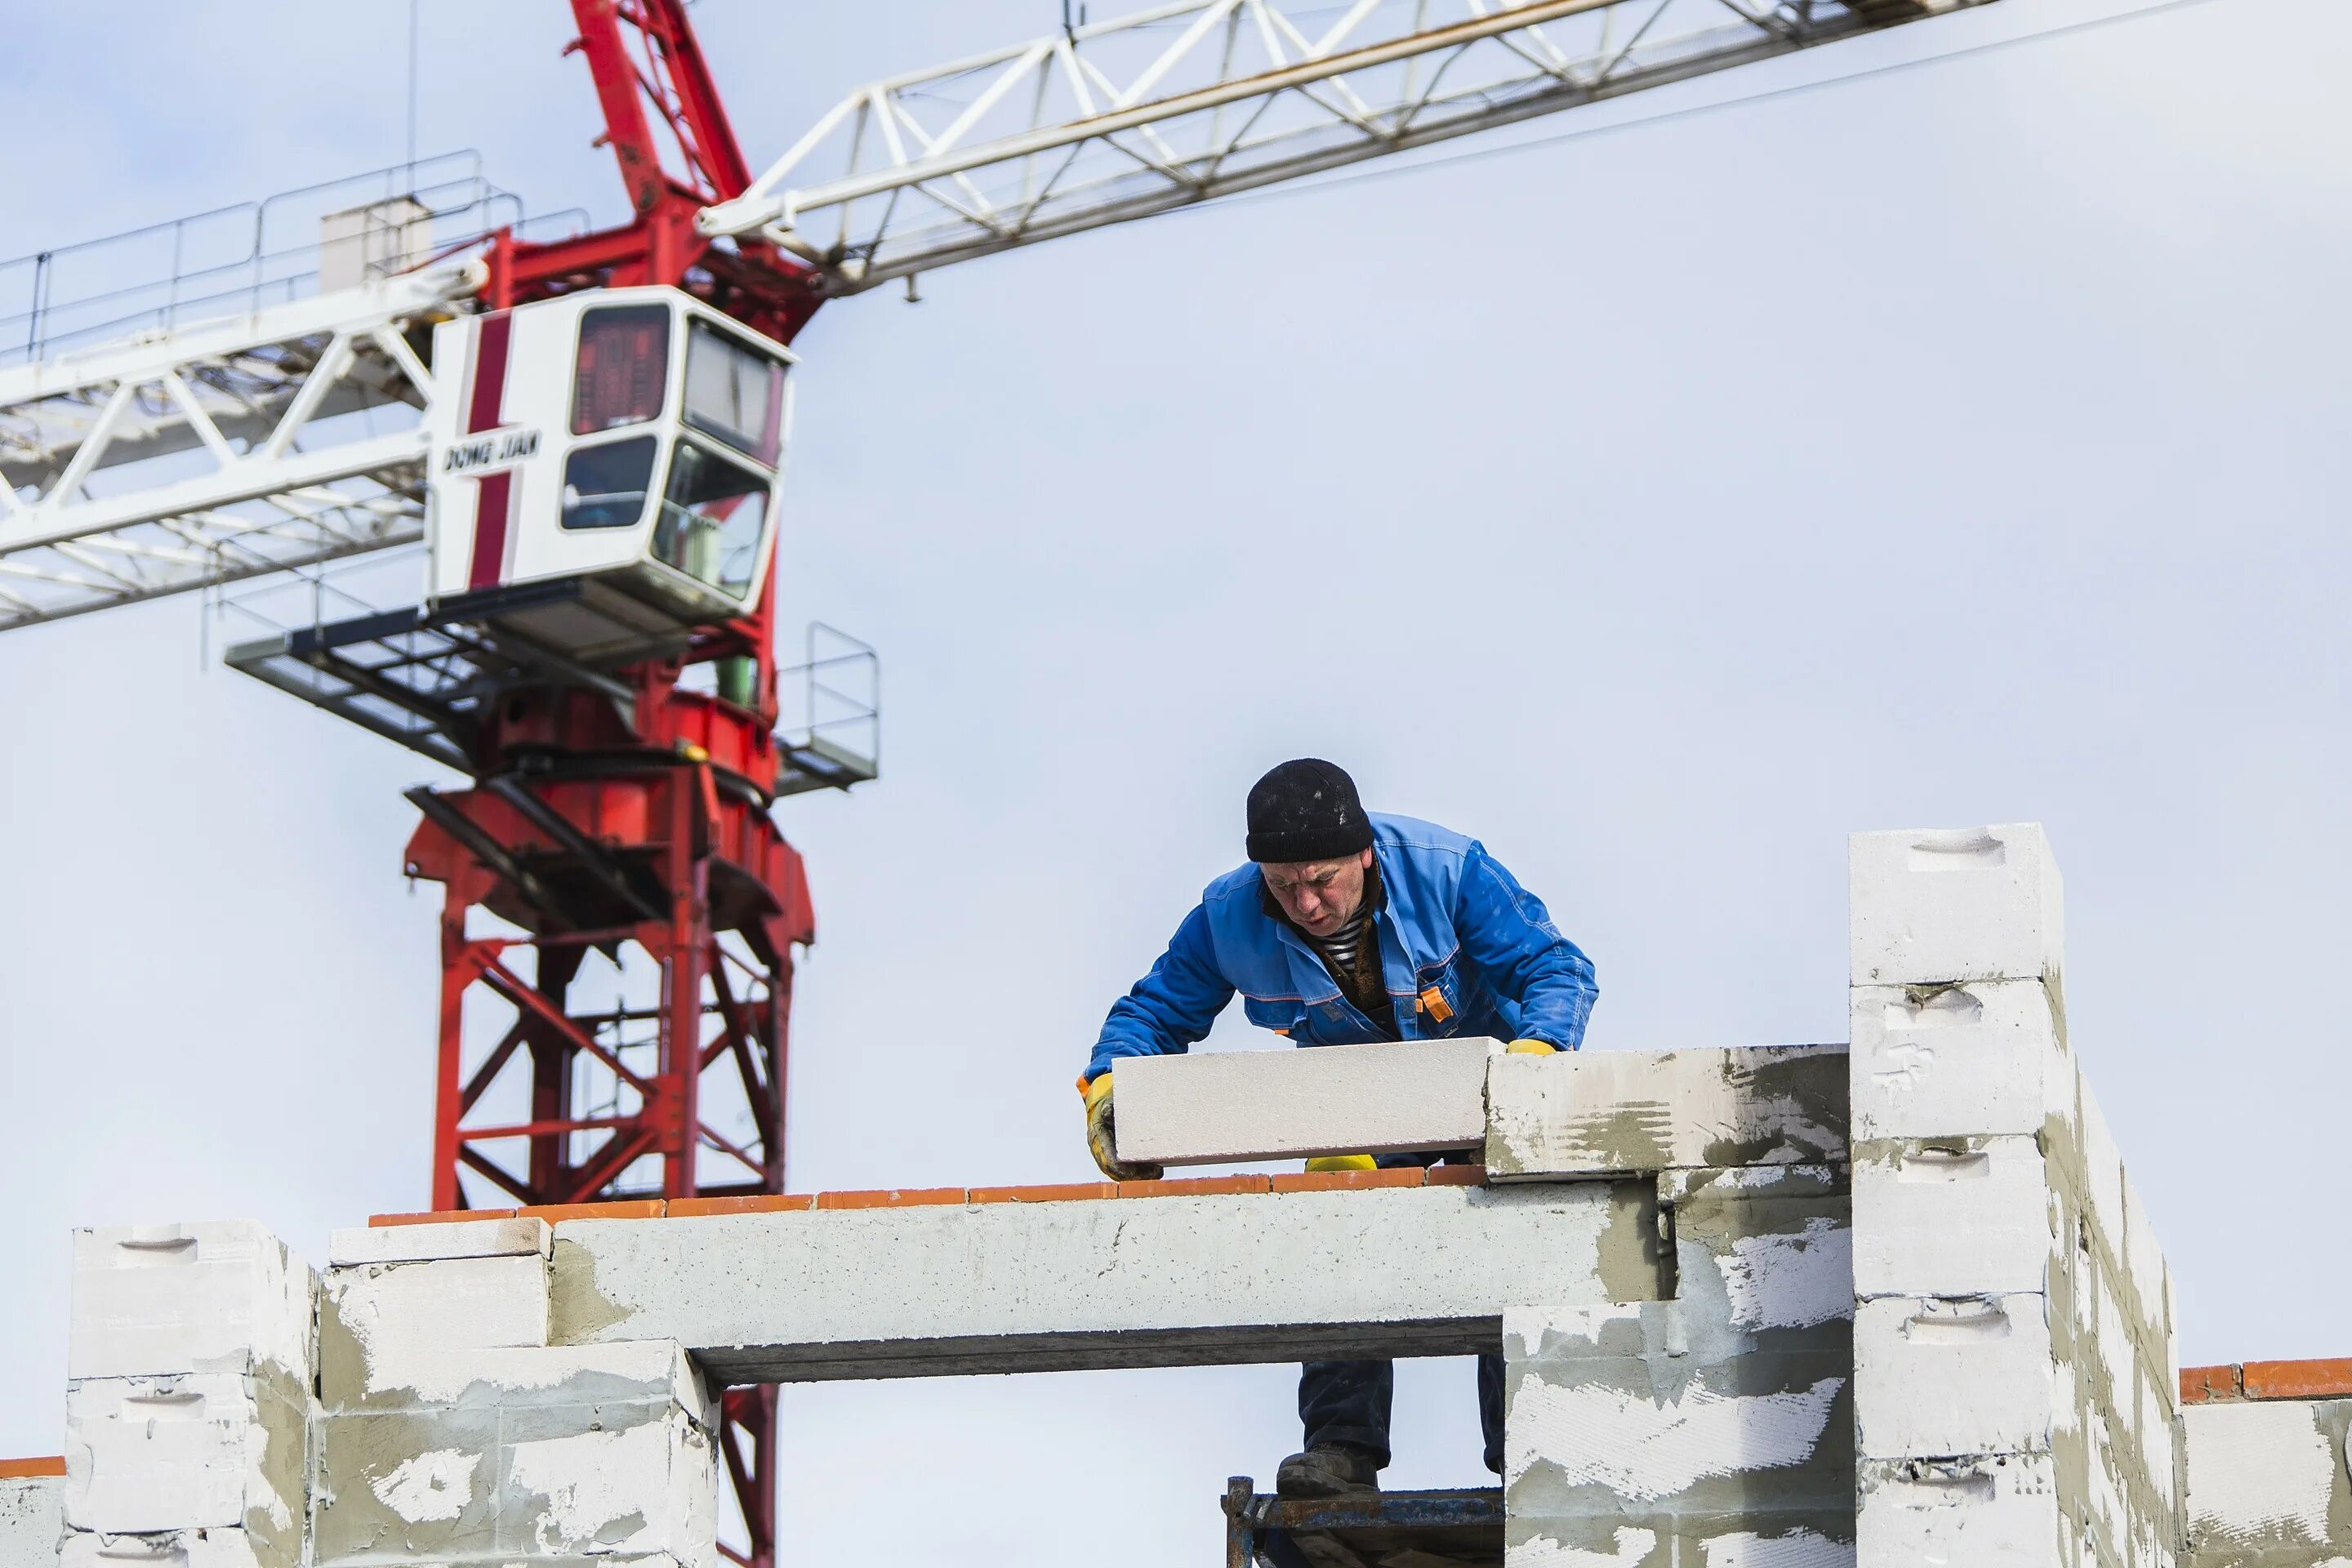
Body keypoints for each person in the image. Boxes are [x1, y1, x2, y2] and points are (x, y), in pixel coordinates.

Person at [1077, 759, 1597, 1497]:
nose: (1308, 904)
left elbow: (1557, 967)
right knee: (1338, 1220)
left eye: (1322, 880)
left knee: (1506, 1240)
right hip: (1358, 1112)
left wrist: (1535, 1064)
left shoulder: (1445, 871)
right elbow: (1151, 1014)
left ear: (1363, 855)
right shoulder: (1228, 916)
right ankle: (1342, 1451)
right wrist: (1109, 1091)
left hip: (1483, 1100)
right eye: (1285, 887)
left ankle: (1523, 1450)